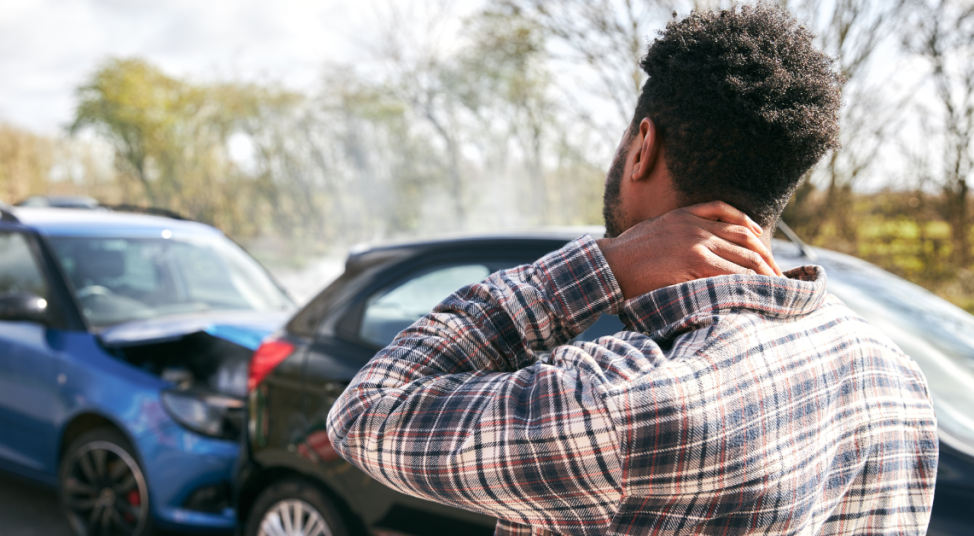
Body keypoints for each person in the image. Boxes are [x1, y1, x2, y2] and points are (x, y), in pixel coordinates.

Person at [327, 5, 938, 536]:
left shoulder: (620, 400)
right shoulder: (893, 377)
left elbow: (369, 411)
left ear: (643, 147)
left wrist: (604, 264)